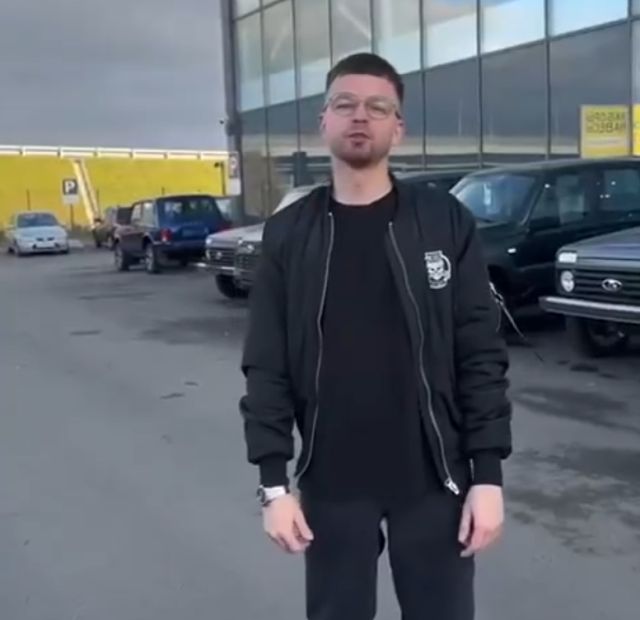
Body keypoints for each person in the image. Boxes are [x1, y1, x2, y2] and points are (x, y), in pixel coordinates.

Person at [239, 52, 512, 620]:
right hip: (332, 483)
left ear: (398, 127)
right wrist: (273, 485)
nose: (360, 116)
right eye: (345, 104)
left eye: (377, 107)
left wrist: (487, 476)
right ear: (324, 121)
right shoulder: (289, 233)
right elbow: (266, 364)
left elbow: (480, 353)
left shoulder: (443, 221)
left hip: (435, 481)